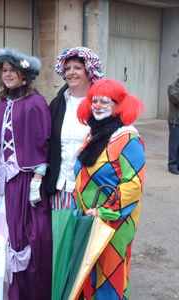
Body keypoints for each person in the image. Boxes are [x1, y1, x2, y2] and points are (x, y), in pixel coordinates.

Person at [0, 48, 52, 300]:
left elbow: (42, 142)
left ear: (24, 75)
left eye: (13, 70)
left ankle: (21, 290)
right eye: (4, 71)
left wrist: (36, 180)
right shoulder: (2, 103)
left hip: (25, 179)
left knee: (23, 233)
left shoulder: (36, 102)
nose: (8, 75)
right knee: (2, 230)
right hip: (4, 179)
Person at [74, 79, 145, 300]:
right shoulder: (94, 135)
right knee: (88, 272)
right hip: (89, 219)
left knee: (109, 275)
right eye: (94, 100)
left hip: (113, 222)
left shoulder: (128, 138)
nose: (97, 106)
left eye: (105, 101)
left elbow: (133, 186)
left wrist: (103, 211)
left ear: (119, 105)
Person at [44, 47, 104, 210]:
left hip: (90, 189)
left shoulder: (102, 106)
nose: (71, 72)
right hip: (59, 188)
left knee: (86, 235)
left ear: (89, 71)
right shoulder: (56, 105)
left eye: (78, 67)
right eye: (68, 68)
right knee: (59, 235)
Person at [167, 69, 179, 175]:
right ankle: (172, 165)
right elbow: (177, 99)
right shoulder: (172, 87)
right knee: (174, 145)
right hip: (175, 121)